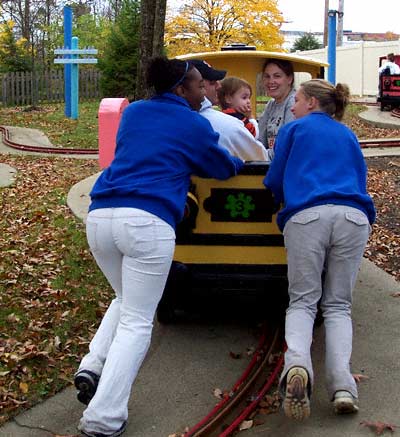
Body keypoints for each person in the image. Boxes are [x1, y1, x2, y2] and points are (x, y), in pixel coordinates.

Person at [74, 56, 244, 437]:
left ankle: (92, 364)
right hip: (147, 223)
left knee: (124, 299)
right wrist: (235, 164)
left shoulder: (133, 114)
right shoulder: (193, 122)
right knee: (138, 321)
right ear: (180, 89)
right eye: (199, 85)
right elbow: (218, 165)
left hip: (101, 216)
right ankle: (103, 418)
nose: (204, 91)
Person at [264, 79, 376, 421]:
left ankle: (298, 364)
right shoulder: (347, 134)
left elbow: (274, 179)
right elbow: (360, 177)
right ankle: (343, 387)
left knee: (303, 300)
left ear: (311, 102)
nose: (293, 106)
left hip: (308, 215)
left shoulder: (293, 130)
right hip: (353, 216)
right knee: (339, 304)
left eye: (296, 100)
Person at [189, 59, 269, 162]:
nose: (219, 86)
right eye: (213, 82)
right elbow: (261, 159)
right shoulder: (231, 127)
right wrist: (251, 118)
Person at [258, 58, 296, 158]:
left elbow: (287, 146)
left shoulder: (294, 103)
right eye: (267, 76)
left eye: (277, 76)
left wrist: (258, 155)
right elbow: (260, 139)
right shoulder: (271, 104)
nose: (271, 81)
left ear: (289, 79)